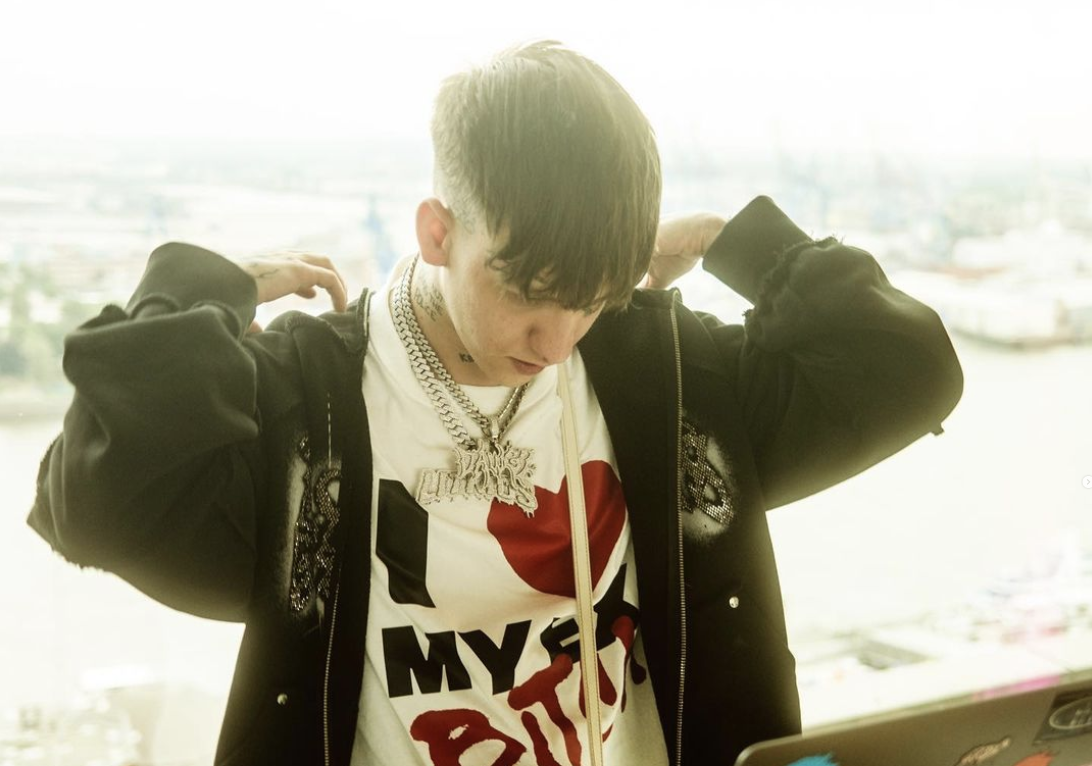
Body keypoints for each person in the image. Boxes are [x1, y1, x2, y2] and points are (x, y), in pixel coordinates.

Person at [28, 40, 963, 766]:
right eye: (528, 291)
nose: (556, 341)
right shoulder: (315, 398)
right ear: (438, 232)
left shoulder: (664, 377)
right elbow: (96, 506)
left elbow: (908, 368)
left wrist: (735, 240)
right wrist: (194, 290)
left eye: (592, 297)